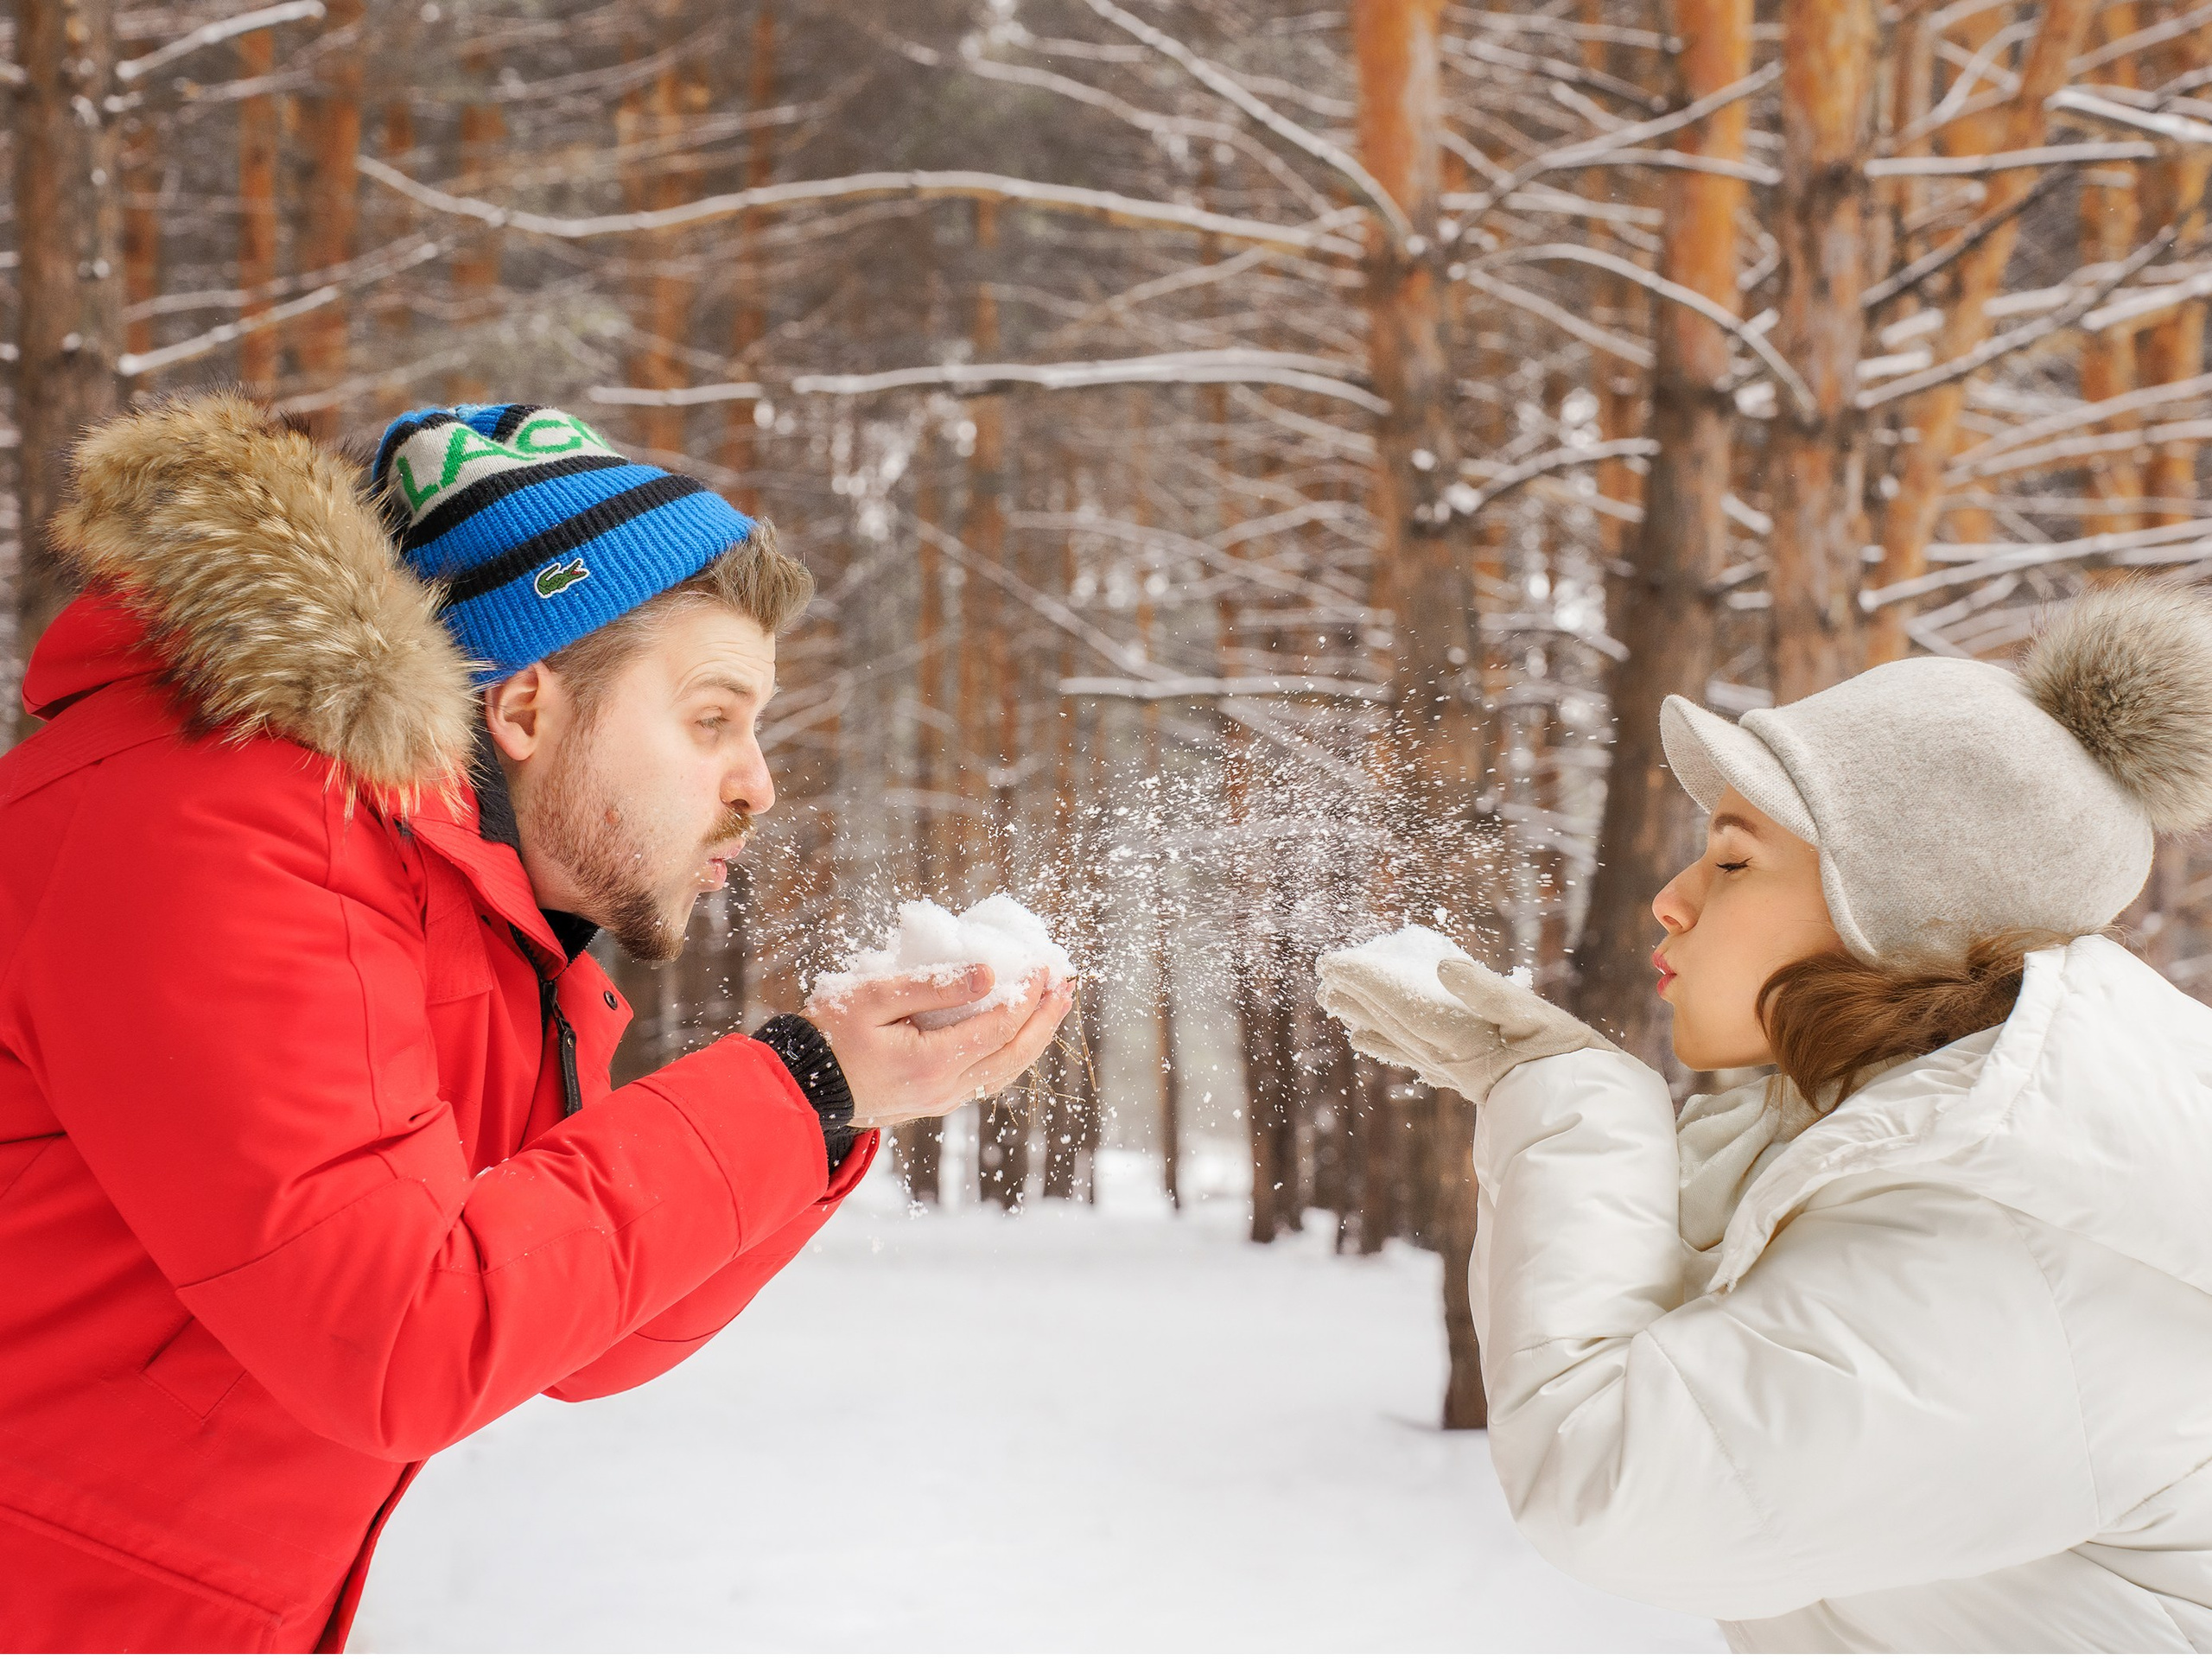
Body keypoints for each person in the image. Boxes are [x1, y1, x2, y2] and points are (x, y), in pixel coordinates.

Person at [0, 394, 1071, 1652]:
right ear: (525, 709)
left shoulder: (477, 927)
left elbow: (572, 1340)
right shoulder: (215, 828)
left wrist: (837, 1103)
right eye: (713, 719)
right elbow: (402, 1341)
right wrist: (796, 1083)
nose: (757, 784)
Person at [1320, 582, 2212, 1649]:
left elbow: (1608, 1476)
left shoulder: (2020, 1228)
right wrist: (1549, 1087)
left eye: (1734, 859)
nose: (1672, 897)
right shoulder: (1934, 1155)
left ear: (1903, 915)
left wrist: (1574, 1103)